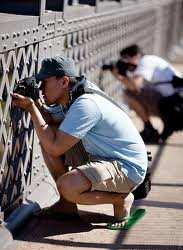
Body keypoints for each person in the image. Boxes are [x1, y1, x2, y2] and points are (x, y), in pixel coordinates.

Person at [11, 56, 148, 229]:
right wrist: (36, 104)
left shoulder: (86, 104)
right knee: (48, 138)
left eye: (44, 82)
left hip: (127, 167)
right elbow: (51, 125)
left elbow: (55, 148)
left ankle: (120, 199)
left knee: (67, 185)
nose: (41, 88)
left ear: (64, 81)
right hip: (105, 156)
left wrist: (31, 109)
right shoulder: (75, 94)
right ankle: (67, 206)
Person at [111, 44, 182, 143]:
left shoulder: (145, 61)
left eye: (126, 59)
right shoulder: (150, 61)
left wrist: (119, 76)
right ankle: (152, 129)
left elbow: (135, 86)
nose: (126, 63)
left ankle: (150, 129)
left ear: (136, 56)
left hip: (176, 105)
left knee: (129, 93)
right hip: (174, 102)